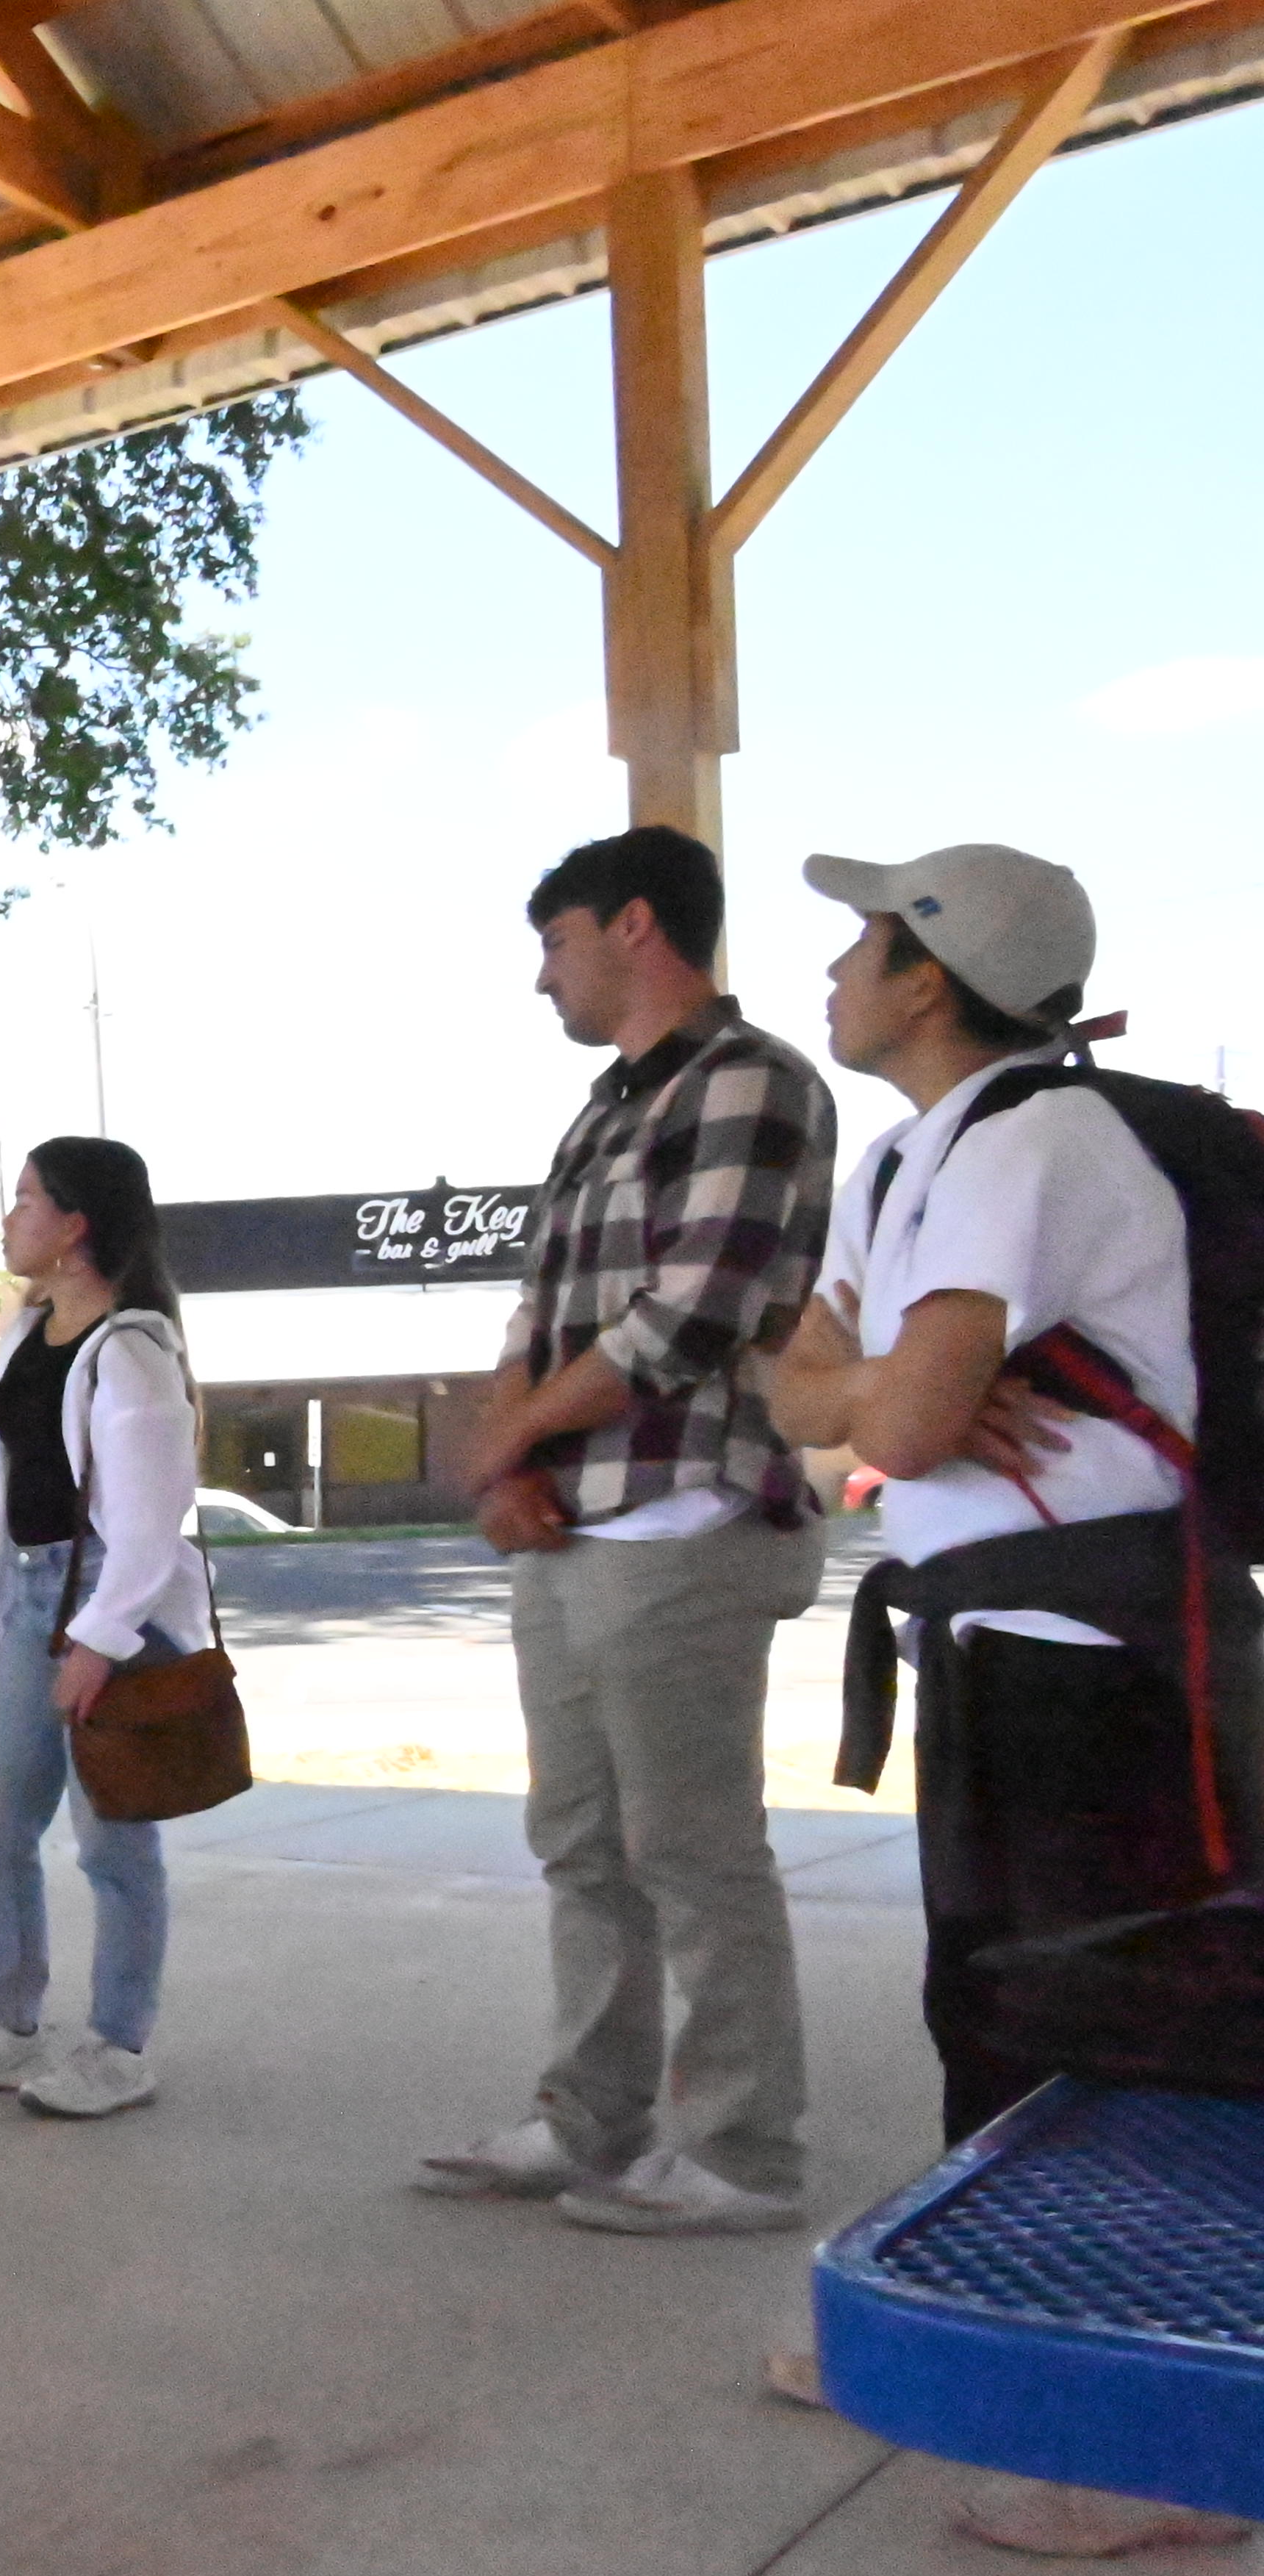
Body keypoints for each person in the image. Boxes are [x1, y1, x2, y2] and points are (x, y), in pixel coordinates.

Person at [768, 842, 1257, 2558]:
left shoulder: (1033, 1140)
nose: (832, 970)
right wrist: (879, 1385)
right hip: (994, 1643)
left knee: (1129, 2026)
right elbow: (795, 1385)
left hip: (1111, 1654)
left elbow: (890, 1425)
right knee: (989, 2005)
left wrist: (883, 1393)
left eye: (859, 942)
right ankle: (996, 2354)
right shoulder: (906, 1155)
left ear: (927, 975)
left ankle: (1152, 2457)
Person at [420, 825, 839, 2234]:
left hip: (684, 1513)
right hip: (575, 1529)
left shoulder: (754, 1081)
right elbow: (539, 1315)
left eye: (556, 942)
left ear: (637, 925)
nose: (543, 977)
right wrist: (505, 1464)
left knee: (693, 1851)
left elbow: (691, 1312)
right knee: (582, 1846)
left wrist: (512, 1439)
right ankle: (588, 2121)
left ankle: (741, 2154)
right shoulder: (602, 1110)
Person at [0, 1139, 209, 2120]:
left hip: (112, 1610)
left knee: (114, 1838)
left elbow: (152, 1524)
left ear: (75, 1225)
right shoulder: (25, 1339)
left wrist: (99, 1641)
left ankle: (118, 2046)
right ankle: (9, 2027)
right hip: (27, 1596)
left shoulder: (131, 1351)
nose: (8, 1216)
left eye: (26, 1198)